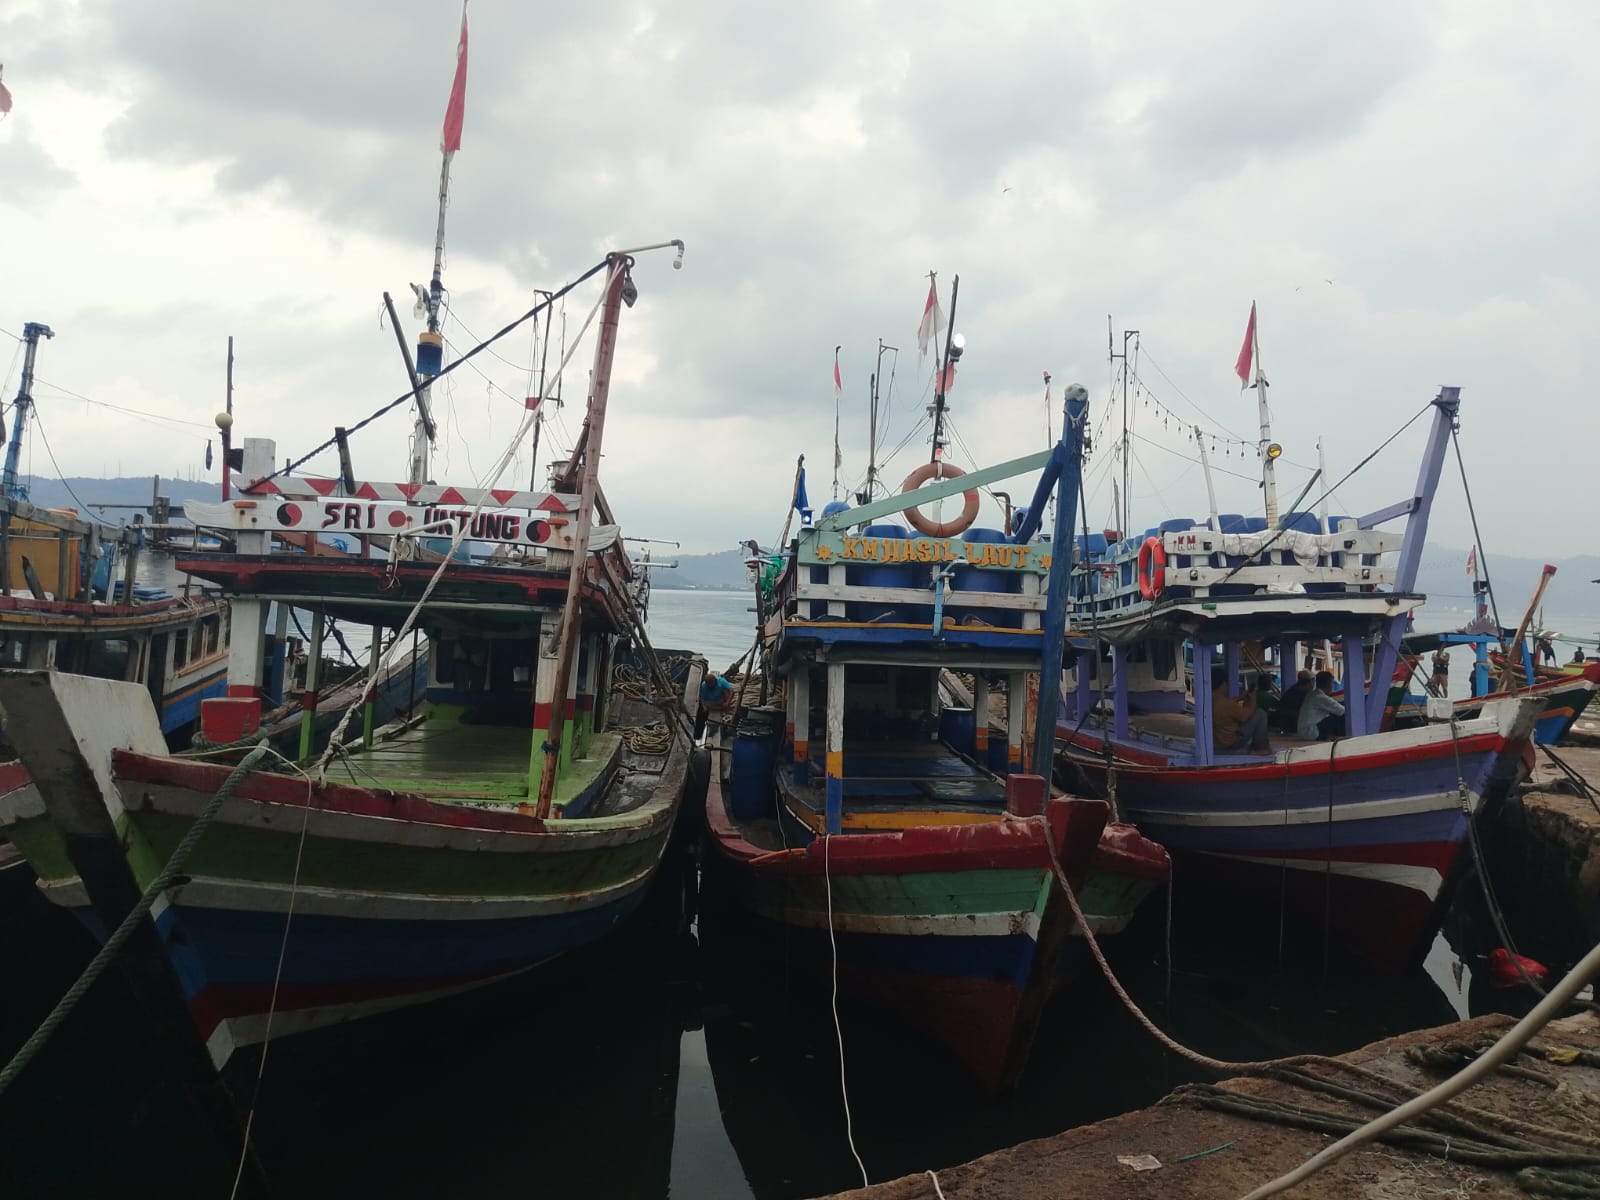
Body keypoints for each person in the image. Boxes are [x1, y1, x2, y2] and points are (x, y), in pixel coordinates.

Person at [1212, 672, 1271, 754]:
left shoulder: (1211, 699)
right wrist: (1253, 698)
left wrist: (1240, 698)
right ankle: (1260, 748)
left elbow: (1227, 705)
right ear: (1223, 684)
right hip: (1231, 743)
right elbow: (1246, 716)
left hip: (1216, 742)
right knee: (1261, 714)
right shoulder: (1227, 704)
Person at [1298, 671, 1346, 741]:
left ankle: (1329, 736)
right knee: (1342, 716)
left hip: (1304, 731)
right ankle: (1348, 737)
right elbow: (1343, 711)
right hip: (1310, 731)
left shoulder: (1312, 694)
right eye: (1332, 683)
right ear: (1329, 684)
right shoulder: (1320, 697)